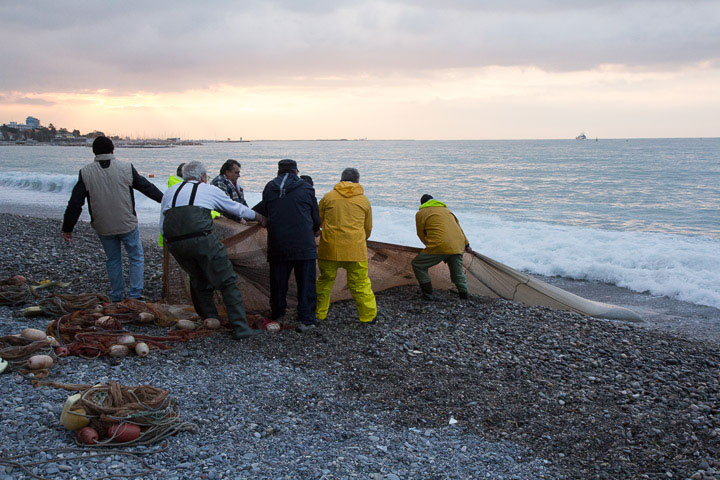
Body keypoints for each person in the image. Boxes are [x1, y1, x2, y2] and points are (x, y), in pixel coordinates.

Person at [160, 161, 265, 340]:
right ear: (203, 177)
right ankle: (241, 328)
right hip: (201, 240)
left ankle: (211, 319)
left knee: (198, 278)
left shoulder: (171, 191)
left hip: (175, 244)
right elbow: (235, 208)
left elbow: (163, 225)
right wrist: (259, 217)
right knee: (227, 281)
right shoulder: (208, 189)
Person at [62, 136, 163, 302]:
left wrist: (68, 227)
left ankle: (116, 295)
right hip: (127, 223)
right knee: (136, 256)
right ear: (113, 150)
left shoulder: (85, 172)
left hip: (103, 225)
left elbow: (75, 203)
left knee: (113, 259)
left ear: (94, 152)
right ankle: (134, 295)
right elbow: (147, 188)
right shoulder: (126, 167)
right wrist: (165, 200)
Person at [253, 159, 320, 332]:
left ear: (278, 172)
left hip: (278, 243)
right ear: (296, 171)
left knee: (278, 282)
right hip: (304, 244)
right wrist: (314, 229)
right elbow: (315, 217)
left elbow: (262, 210)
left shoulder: (269, 188)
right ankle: (306, 319)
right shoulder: (306, 188)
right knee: (306, 283)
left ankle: (277, 315)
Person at [316, 168, 377, 324]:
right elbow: (368, 227)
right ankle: (368, 317)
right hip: (355, 250)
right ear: (358, 181)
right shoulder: (364, 200)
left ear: (341, 180)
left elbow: (319, 219)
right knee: (361, 284)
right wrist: (360, 239)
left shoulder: (328, 197)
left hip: (330, 249)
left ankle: (319, 314)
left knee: (324, 282)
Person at [411, 194, 472, 301]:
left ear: (422, 204)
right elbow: (459, 229)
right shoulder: (447, 211)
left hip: (439, 245)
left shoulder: (421, 213)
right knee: (457, 272)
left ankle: (428, 295)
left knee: (418, 264)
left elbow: (420, 233)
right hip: (458, 244)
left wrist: (430, 247)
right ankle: (464, 296)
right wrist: (467, 245)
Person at [158, 163, 185, 247]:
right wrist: (215, 214)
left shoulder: (171, 188)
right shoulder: (184, 189)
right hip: (177, 234)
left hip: (165, 234)